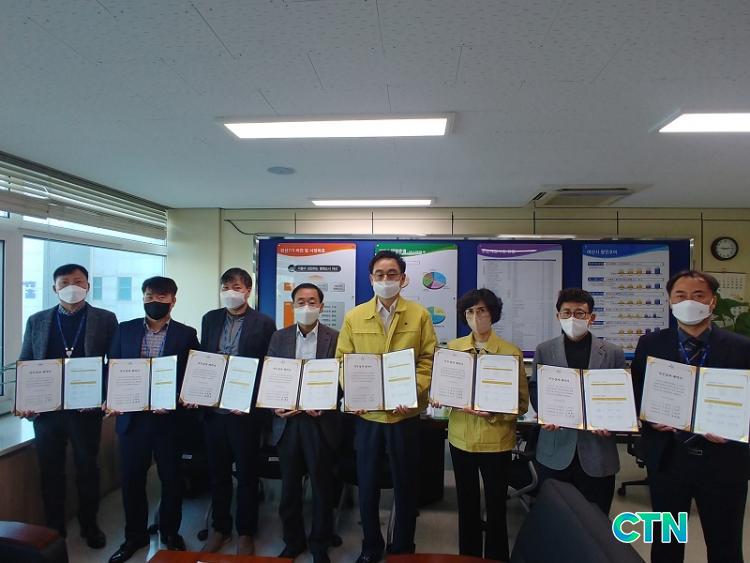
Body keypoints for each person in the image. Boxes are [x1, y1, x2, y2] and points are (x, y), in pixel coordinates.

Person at [632, 270, 750, 563]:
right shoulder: (651, 344)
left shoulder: (742, 347)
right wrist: (649, 418)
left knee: (725, 545)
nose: (689, 302)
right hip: (668, 459)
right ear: (670, 301)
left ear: (713, 301)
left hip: (724, 461)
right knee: (666, 544)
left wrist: (735, 428)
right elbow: (636, 392)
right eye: (681, 295)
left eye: (698, 295)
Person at [335, 250, 437, 563]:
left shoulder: (419, 315)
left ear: (403, 279)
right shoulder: (354, 317)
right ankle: (370, 545)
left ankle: (403, 545)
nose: (385, 279)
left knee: (406, 482)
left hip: (404, 414)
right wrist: (353, 390)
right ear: (371, 279)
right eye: (379, 274)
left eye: (392, 274)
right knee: (367, 483)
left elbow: (428, 359)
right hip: (368, 415)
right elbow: (342, 361)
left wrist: (413, 391)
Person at [17, 264, 117, 548]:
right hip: (46, 412)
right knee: (50, 471)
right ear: (54, 288)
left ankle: (89, 524)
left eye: (78, 281)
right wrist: (25, 401)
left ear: (87, 286)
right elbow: (26, 361)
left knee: (88, 468)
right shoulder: (37, 320)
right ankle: (55, 529)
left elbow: (114, 362)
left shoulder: (105, 318)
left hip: (86, 411)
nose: (72, 287)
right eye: (65, 282)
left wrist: (102, 395)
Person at [107, 276, 200, 563]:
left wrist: (180, 397)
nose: (154, 302)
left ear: (173, 300)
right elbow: (113, 368)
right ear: (143, 297)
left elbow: (193, 375)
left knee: (171, 480)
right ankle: (134, 536)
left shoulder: (186, 334)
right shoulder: (125, 329)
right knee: (132, 481)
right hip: (132, 420)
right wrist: (111, 398)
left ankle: (170, 531)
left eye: (161, 297)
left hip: (169, 421)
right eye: (149, 296)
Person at [433, 288, 528, 562]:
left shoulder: (510, 353)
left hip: (496, 442)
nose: (476, 316)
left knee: (496, 506)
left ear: (492, 314)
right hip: (460, 440)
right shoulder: (452, 350)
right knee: (467, 505)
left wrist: (495, 413)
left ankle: (497, 557)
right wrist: (440, 398)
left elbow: (521, 404)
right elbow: (444, 393)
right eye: (470, 311)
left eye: (482, 310)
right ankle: (468, 557)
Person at [198, 268, 276, 555]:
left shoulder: (264, 323)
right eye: (226, 287)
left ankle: (246, 531)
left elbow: (268, 367)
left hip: (244, 414)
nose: (230, 292)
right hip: (214, 411)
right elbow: (204, 359)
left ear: (248, 290)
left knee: (247, 475)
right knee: (217, 474)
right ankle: (220, 528)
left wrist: (253, 403)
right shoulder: (210, 319)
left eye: (237, 287)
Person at [529, 288, 625, 515]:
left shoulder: (613, 353)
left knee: (595, 518)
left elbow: (621, 395)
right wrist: (545, 414)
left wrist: (612, 422)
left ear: (592, 317)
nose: (573, 318)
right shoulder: (544, 350)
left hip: (597, 451)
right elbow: (535, 386)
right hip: (555, 448)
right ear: (558, 316)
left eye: (580, 313)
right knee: (554, 516)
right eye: (566, 312)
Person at [268, 283, 340, 563]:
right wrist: (275, 405)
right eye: (301, 301)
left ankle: (320, 543)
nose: (306, 306)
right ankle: (293, 541)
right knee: (289, 489)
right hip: (287, 423)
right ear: (293, 306)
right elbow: (271, 376)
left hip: (319, 423)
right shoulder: (279, 337)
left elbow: (340, 380)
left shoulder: (335, 337)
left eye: (312, 301)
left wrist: (326, 402)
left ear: (321, 307)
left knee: (322, 487)